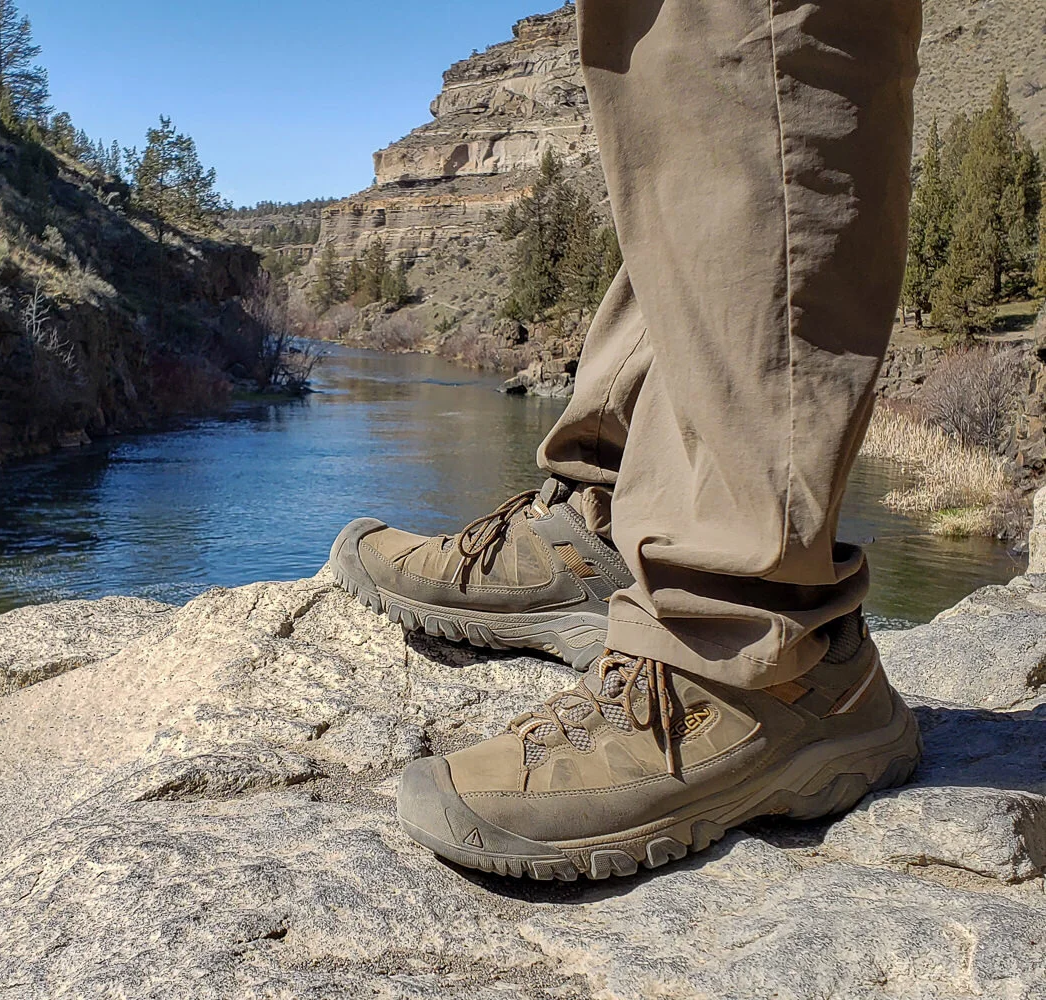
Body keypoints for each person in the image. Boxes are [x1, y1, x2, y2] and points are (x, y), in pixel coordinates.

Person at [330, 0, 925, 881]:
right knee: (675, 81)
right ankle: (616, 517)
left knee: (758, 48)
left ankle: (753, 644)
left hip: (770, 659)